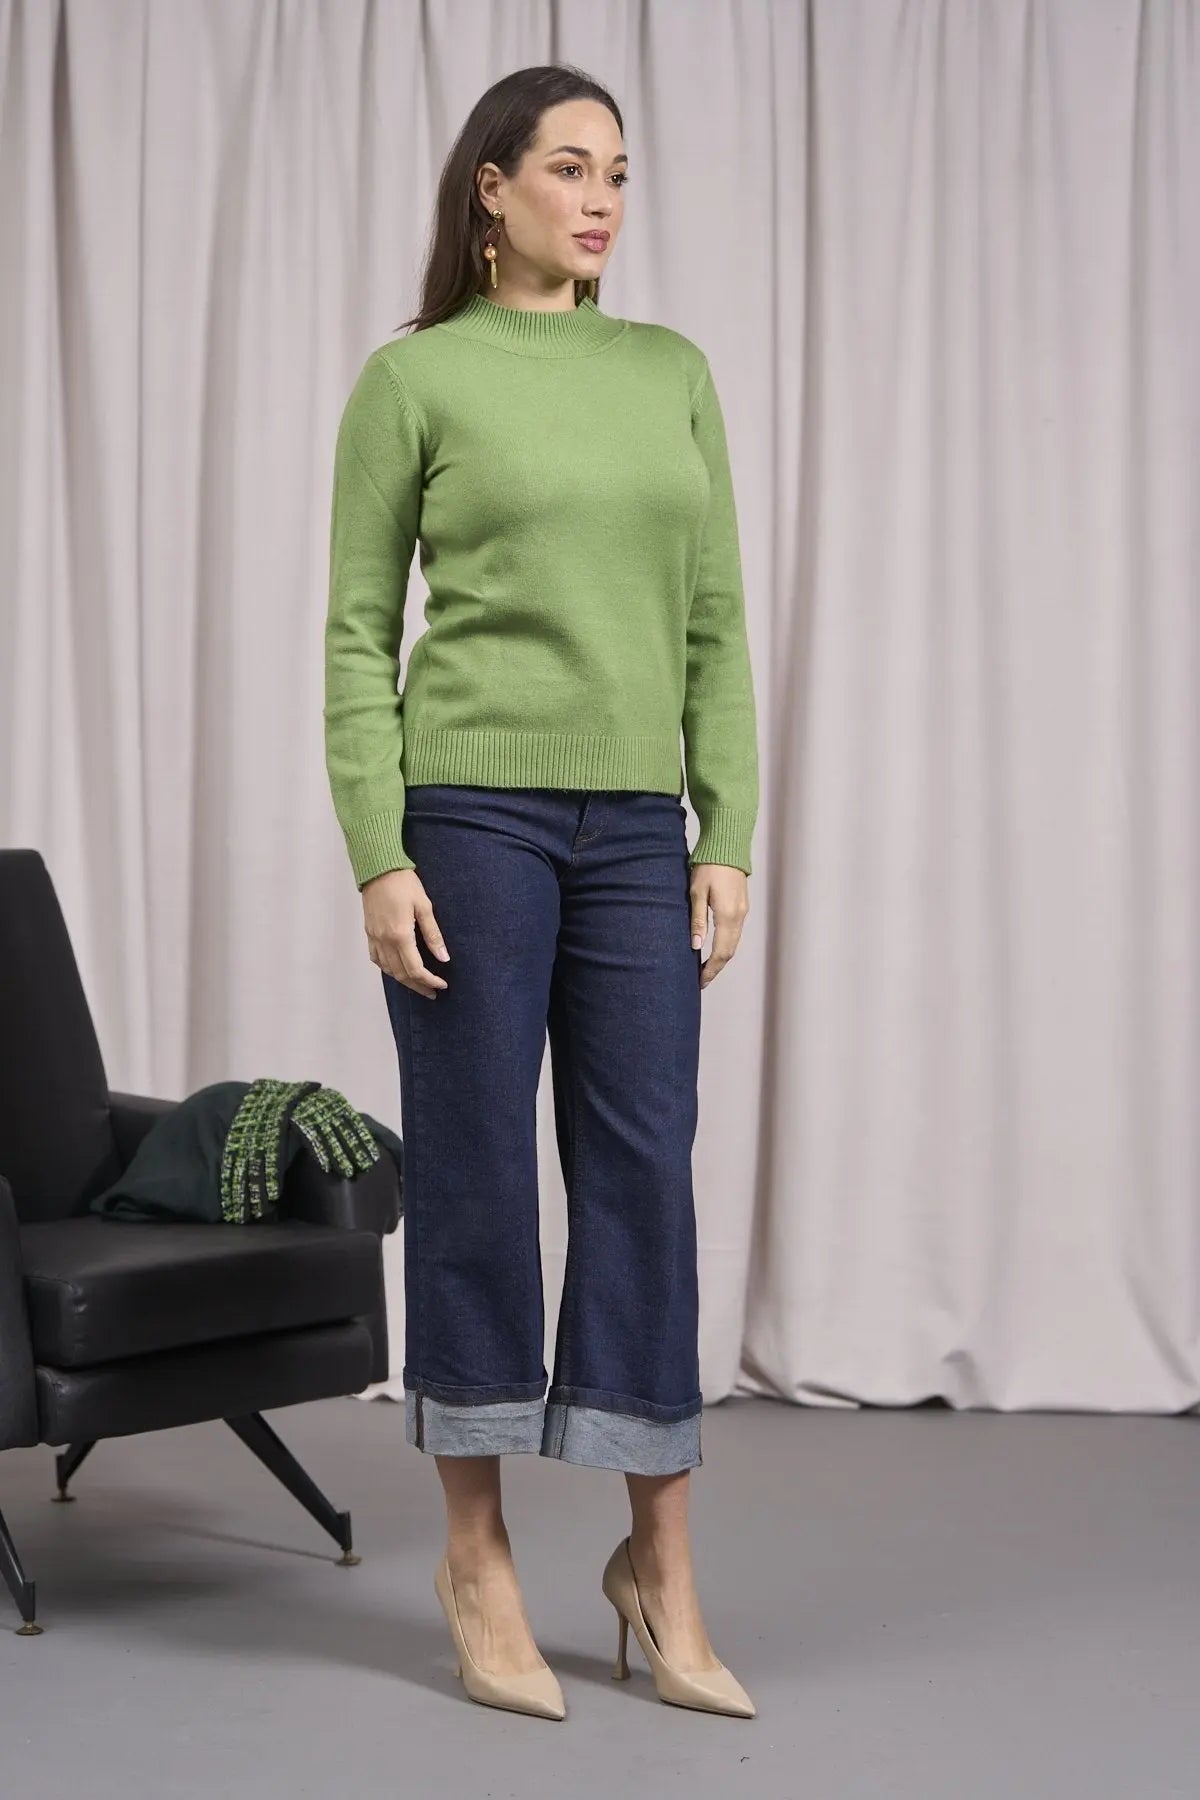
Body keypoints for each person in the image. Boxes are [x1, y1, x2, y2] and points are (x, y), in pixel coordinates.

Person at [323, 63, 759, 1723]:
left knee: (644, 1170)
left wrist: (727, 827)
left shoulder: (670, 374)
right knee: (482, 1173)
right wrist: (380, 849)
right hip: (469, 819)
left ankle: (662, 1566)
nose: (602, 200)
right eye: (570, 168)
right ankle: (478, 1555)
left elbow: (715, 620)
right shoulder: (414, 379)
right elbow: (356, 636)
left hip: (638, 826)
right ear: (490, 191)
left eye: (620, 174)